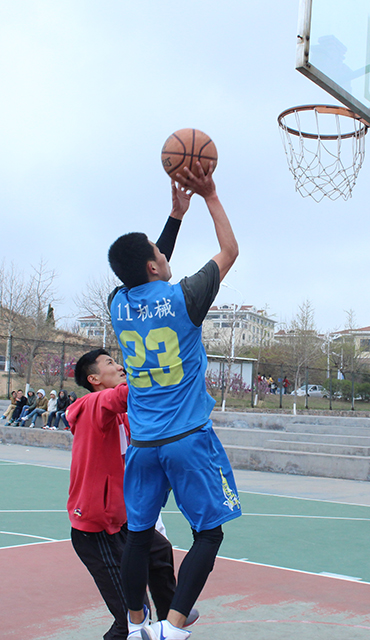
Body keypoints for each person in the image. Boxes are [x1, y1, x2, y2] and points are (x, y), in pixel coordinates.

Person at [108, 163, 241, 640]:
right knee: (209, 532)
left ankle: (136, 623)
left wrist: (175, 217)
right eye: (158, 252)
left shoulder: (117, 304)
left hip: (143, 444)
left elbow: (147, 271)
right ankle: (175, 626)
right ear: (152, 264)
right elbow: (230, 250)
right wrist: (209, 194)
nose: (163, 255)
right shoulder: (185, 298)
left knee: (139, 535)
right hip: (187, 439)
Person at [67, 348, 197, 640]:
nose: (120, 367)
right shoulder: (92, 404)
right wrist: (155, 367)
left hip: (124, 519)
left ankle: (172, 615)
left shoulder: (122, 417)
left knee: (159, 551)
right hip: (96, 529)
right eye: (110, 363)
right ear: (94, 379)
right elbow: (129, 395)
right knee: (132, 619)